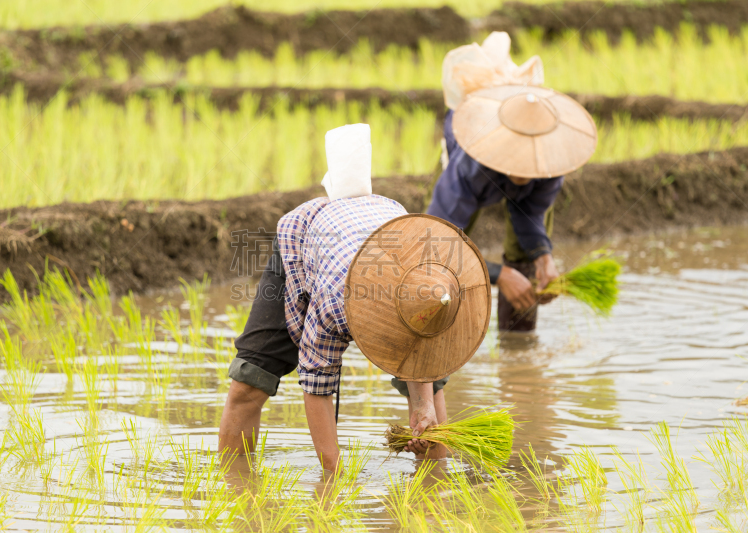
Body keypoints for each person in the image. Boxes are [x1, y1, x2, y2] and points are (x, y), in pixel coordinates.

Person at [218, 124, 491, 472]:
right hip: (306, 241)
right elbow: (317, 382)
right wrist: (333, 478)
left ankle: (434, 497)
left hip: (387, 233)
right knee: (249, 383)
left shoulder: (438, 288)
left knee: (433, 412)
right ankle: (232, 488)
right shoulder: (336, 300)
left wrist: (421, 409)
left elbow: (425, 356)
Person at [426, 32, 598, 333]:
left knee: (525, 259)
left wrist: (543, 258)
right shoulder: (470, 166)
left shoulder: (550, 166)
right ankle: (437, 350)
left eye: (532, 161)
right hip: (468, 169)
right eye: (518, 156)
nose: (525, 169)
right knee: (443, 265)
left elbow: (528, 212)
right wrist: (497, 275)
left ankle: (518, 346)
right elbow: (436, 242)